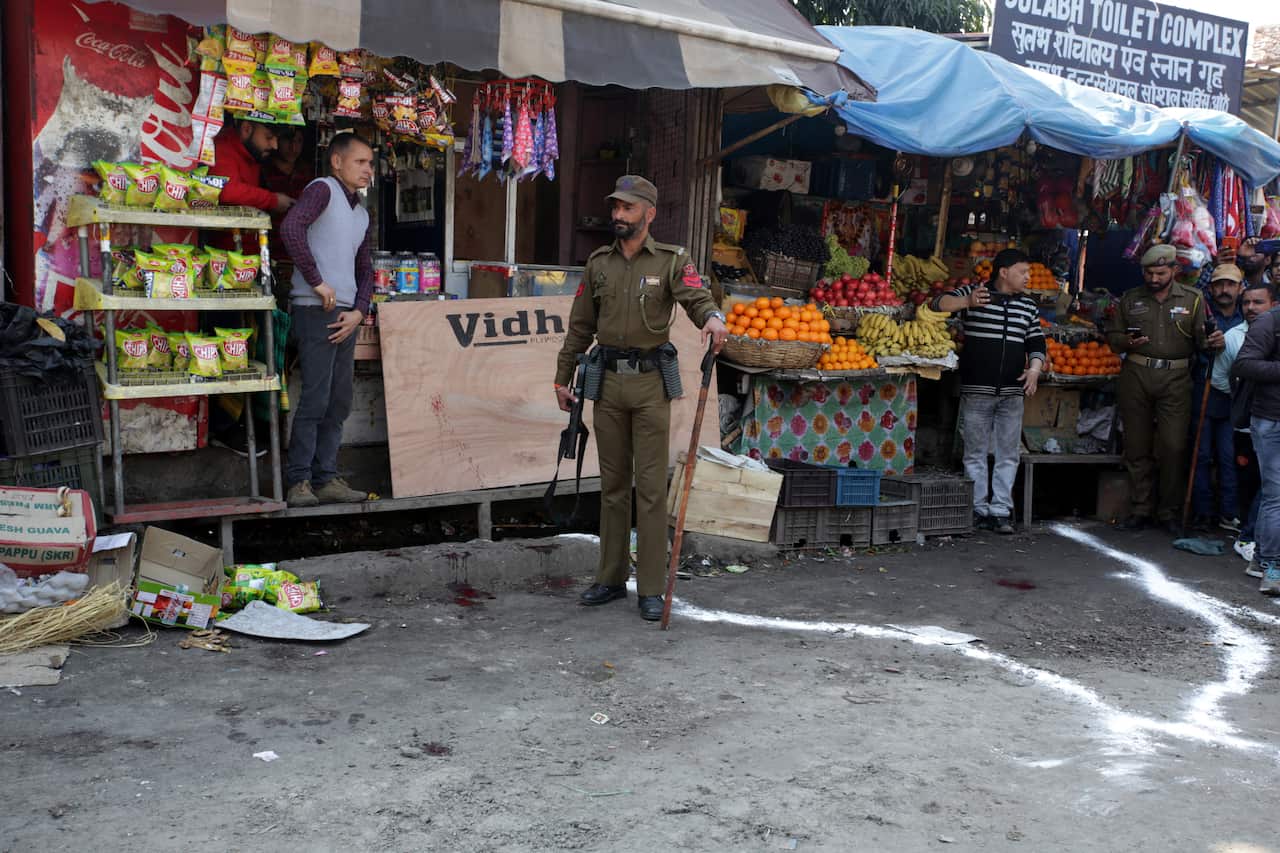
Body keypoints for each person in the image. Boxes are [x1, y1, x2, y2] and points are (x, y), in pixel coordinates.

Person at [554, 175, 728, 621]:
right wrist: (562, 377)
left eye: (627, 209)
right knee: (612, 488)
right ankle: (610, 578)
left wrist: (711, 319)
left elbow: (695, 297)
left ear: (649, 214)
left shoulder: (672, 261)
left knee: (650, 488)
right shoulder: (598, 264)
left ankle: (650, 587)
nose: (617, 215)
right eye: (615, 207)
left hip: (651, 386)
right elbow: (579, 327)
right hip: (606, 385)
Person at [278, 133, 376, 507]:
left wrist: (359, 311)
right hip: (315, 309)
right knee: (316, 398)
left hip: (346, 315)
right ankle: (299, 482)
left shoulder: (361, 213)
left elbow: (365, 268)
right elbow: (291, 228)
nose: (368, 169)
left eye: (370, 163)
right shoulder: (322, 190)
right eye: (360, 162)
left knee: (339, 399)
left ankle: (327, 477)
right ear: (337, 161)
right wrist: (317, 282)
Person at [1106, 244, 1225, 534]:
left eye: (1160, 272)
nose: (1154, 278)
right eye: (1149, 272)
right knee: (1136, 446)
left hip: (1176, 379)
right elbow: (1112, 338)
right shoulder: (1130, 299)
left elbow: (1203, 343)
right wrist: (1125, 342)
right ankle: (1140, 508)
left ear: (1174, 270)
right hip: (1136, 374)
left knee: (1173, 446)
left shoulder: (1194, 300)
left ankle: (1169, 511)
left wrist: (1214, 343)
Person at [932, 249, 1045, 534]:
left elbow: (1036, 342)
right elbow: (937, 303)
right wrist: (966, 301)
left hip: (1012, 391)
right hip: (977, 388)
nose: (1028, 278)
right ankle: (978, 509)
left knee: (1008, 453)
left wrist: (1034, 369)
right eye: (1023, 272)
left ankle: (1001, 511)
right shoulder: (976, 293)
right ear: (1004, 272)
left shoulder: (1028, 306)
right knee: (975, 453)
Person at [1216, 282, 1277, 577]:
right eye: (1247, 302)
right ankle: (1257, 547)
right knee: (1268, 490)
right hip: (1261, 420)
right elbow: (1234, 372)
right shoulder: (1250, 331)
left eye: (1258, 302)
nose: (1251, 308)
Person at [1189, 264, 1244, 531]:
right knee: (1201, 453)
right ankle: (1201, 511)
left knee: (1228, 455)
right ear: (1211, 288)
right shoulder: (1203, 312)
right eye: (1219, 285)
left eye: (1230, 285)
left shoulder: (1246, 317)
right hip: (1204, 387)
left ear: (1240, 288)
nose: (1224, 290)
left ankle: (1228, 511)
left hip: (1234, 395)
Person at [213, 117, 296, 214]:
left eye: (277, 139)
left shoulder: (253, 152)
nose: (275, 146)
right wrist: (272, 200)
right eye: (269, 137)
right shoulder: (223, 146)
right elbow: (227, 192)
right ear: (246, 129)